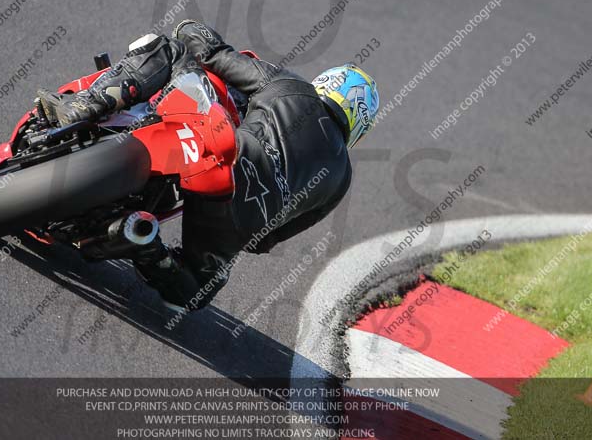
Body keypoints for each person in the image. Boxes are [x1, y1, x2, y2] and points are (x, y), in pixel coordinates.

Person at [52, 20, 380, 312]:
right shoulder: (341, 179)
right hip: (237, 221)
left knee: (171, 49)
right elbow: (264, 242)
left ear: (325, 83)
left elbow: (213, 56)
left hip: (223, 155)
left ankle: (87, 103)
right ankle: (147, 246)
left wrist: (192, 30)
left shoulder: (293, 87)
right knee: (196, 293)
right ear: (358, 125)